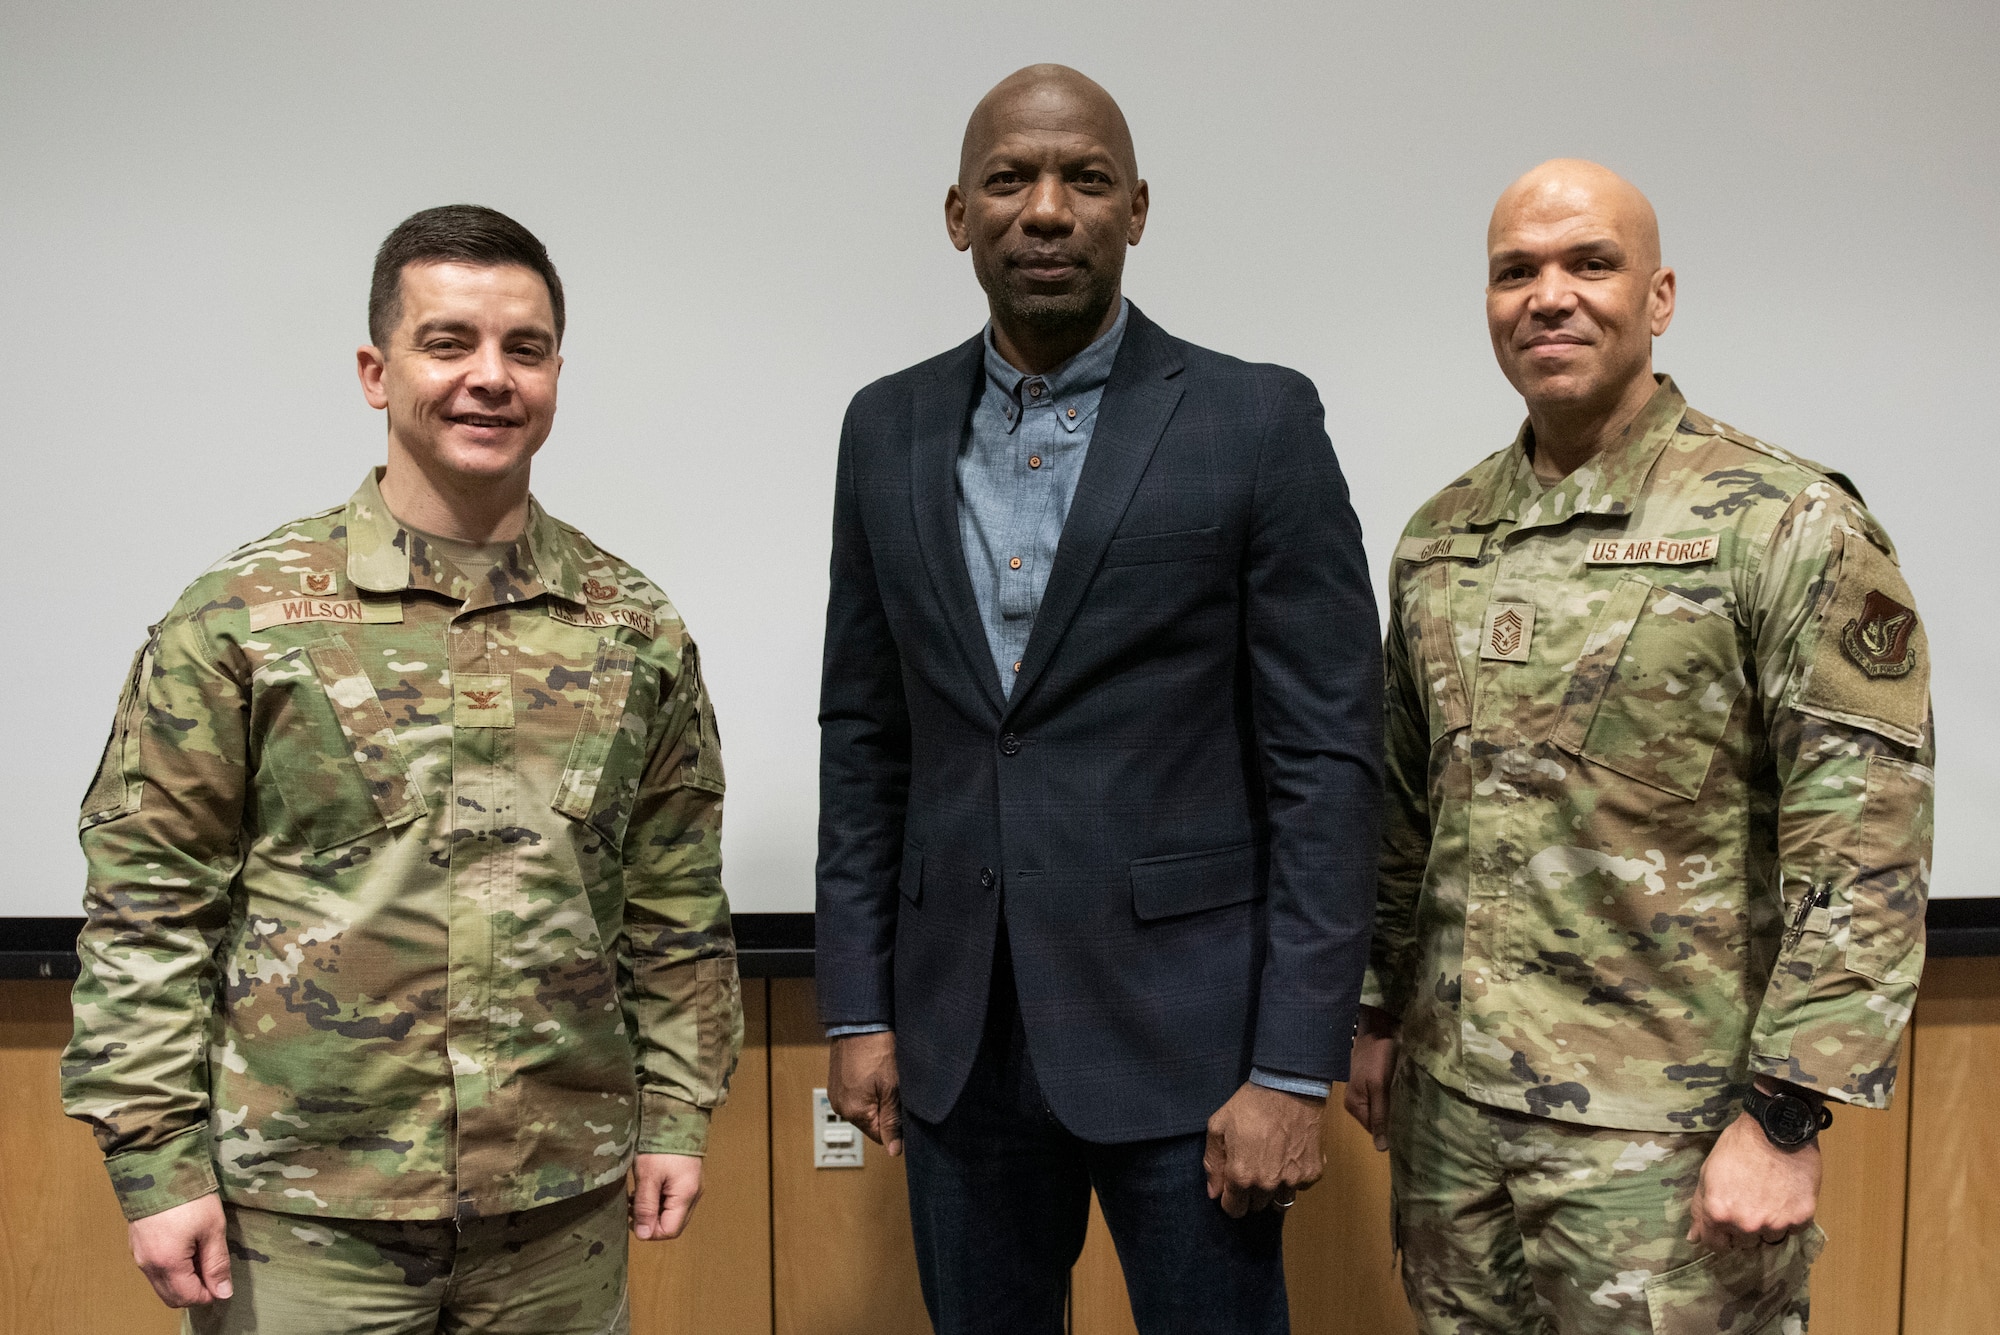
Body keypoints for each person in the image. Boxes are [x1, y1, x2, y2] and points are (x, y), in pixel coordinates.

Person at [61, 204, 742, 1334]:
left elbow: (673, 900)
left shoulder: (634, 628)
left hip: (555, 1216)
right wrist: (157, 1164)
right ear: (378, 373)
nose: (490, 377)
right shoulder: (243, 616)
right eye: (449, 343)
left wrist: (675, 1114)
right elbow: (148, 902)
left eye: (524, 349)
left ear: (557, 376)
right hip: (307, 1217)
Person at [816, 64, 1382, 1334]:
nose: (1047, 209)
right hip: (957, 1048)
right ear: (958, 215)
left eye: (1083, 179)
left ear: (1136, 208)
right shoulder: (883, 429)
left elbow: (1327, 766)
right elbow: (864, 738)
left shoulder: (1256, 420)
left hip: (1194, 1048)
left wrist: (1293, 1067)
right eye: (1009, 180)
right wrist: (857, 1005)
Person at [1345, 159, 1933, 1333]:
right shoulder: (1440, 536)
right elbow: (1406, 809)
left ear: (1657, 297)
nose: (1547, 296)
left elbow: (1862, 837)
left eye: (1587, 265)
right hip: (1454, 1132)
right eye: (1515, 271)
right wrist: (1370, 1013)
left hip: (1665, 1147)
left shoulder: (1781, 521)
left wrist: (1782, 1117)